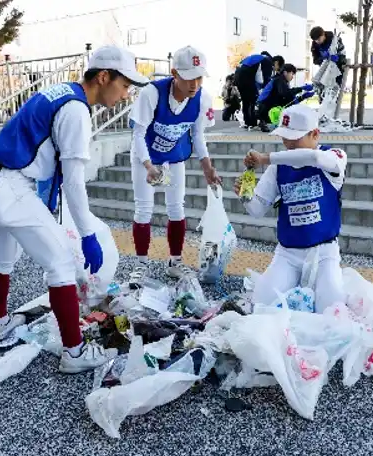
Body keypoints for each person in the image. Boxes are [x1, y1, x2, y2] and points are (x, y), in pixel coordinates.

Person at [0, 45, 149, 373]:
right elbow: (74, 182)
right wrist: (88, 235)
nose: (126, 95)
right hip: (9, 186)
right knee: (62, 263)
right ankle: (75, 353)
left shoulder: (62, 92)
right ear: (104, 77)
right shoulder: (77, 110)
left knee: (3, 259)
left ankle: (0, 325)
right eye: (124, 85)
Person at [234, 104, 347, 313]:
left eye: (295, 139)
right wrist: (245, 195)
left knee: (332, 311)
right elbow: (257, 210)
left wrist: (265, 158)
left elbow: (313, 157)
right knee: (261, 307)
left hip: (324, 254)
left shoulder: (334, 157)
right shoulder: (278, 166)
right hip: (288, 254)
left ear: (315, 134)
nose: (289, 145)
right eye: (285, 138)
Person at [128, 46, 222, 282]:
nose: (194, 84)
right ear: (174, 74)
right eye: (189, 77)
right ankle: (141, 264)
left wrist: (207, 167)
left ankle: (175, 261)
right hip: (146, 156)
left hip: (173, 157)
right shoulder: (152, 93)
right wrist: (148, 166)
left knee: (177, 208)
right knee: (144, 208)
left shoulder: (202, 98)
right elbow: (138, 134)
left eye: (199, 77)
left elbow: (198, 135)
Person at [256, 64, 313, 132]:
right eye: (292, 74)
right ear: (285, 72)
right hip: (264, 108)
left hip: (264, 107)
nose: (292, 77)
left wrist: (302, 97)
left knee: (289, 99)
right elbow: (285, 94)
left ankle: (264, 120)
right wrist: (301, 88)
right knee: (288, 100)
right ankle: (264, 120)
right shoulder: (279, 80)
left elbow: (289, 98)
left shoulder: (281, 81)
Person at [234, 52, 283, 129]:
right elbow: (265, 80)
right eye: (279, 68)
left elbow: (257, 76)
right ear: (276, 63)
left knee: (246, 101)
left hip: (237, 77)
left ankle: (248, 123)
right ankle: (255, 123)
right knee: (254, 100)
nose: (276, 70)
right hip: (245, 77)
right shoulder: (268, 61)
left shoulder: (260, 57)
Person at [309, 26, 347, 101]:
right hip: (325, 71)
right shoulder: (315, 45)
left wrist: (337, 58)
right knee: (323, 94)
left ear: (323, 35)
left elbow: (343, 57)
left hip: (337, 71)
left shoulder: (335, 40)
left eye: (319, 39)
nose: (317, 42)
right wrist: (323, 58)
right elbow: (315, 60)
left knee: (334, 94)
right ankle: (322, 104)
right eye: (315, 40)